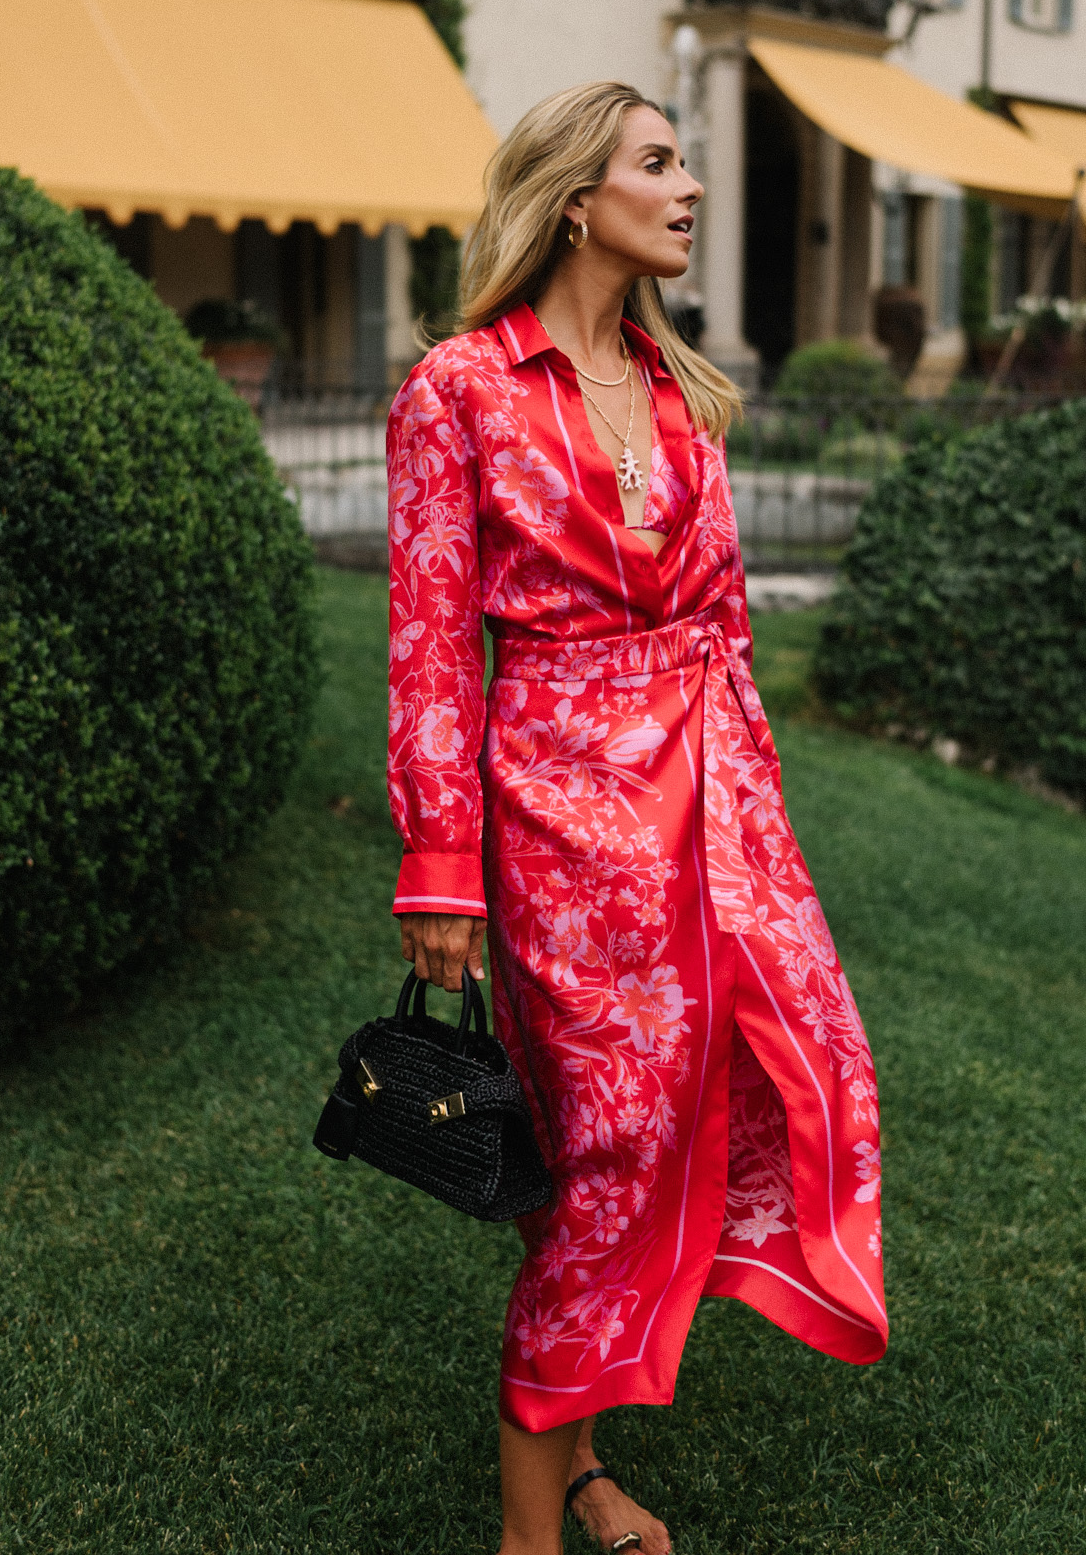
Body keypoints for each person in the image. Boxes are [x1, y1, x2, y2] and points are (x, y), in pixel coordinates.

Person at [387, 82, 887, 1555]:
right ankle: (531, 1531)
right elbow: (427, 643)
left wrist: (764, 821)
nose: (689, 188)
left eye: (688, 163)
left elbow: (725, 623)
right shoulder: (460, 390)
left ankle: (589, 1456)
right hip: (558, 822)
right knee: (607, 1142)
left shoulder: (684, 391)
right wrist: (441, 871)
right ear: (572, 198)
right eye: (660, 164)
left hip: (715, 809)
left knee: (791, 1080)